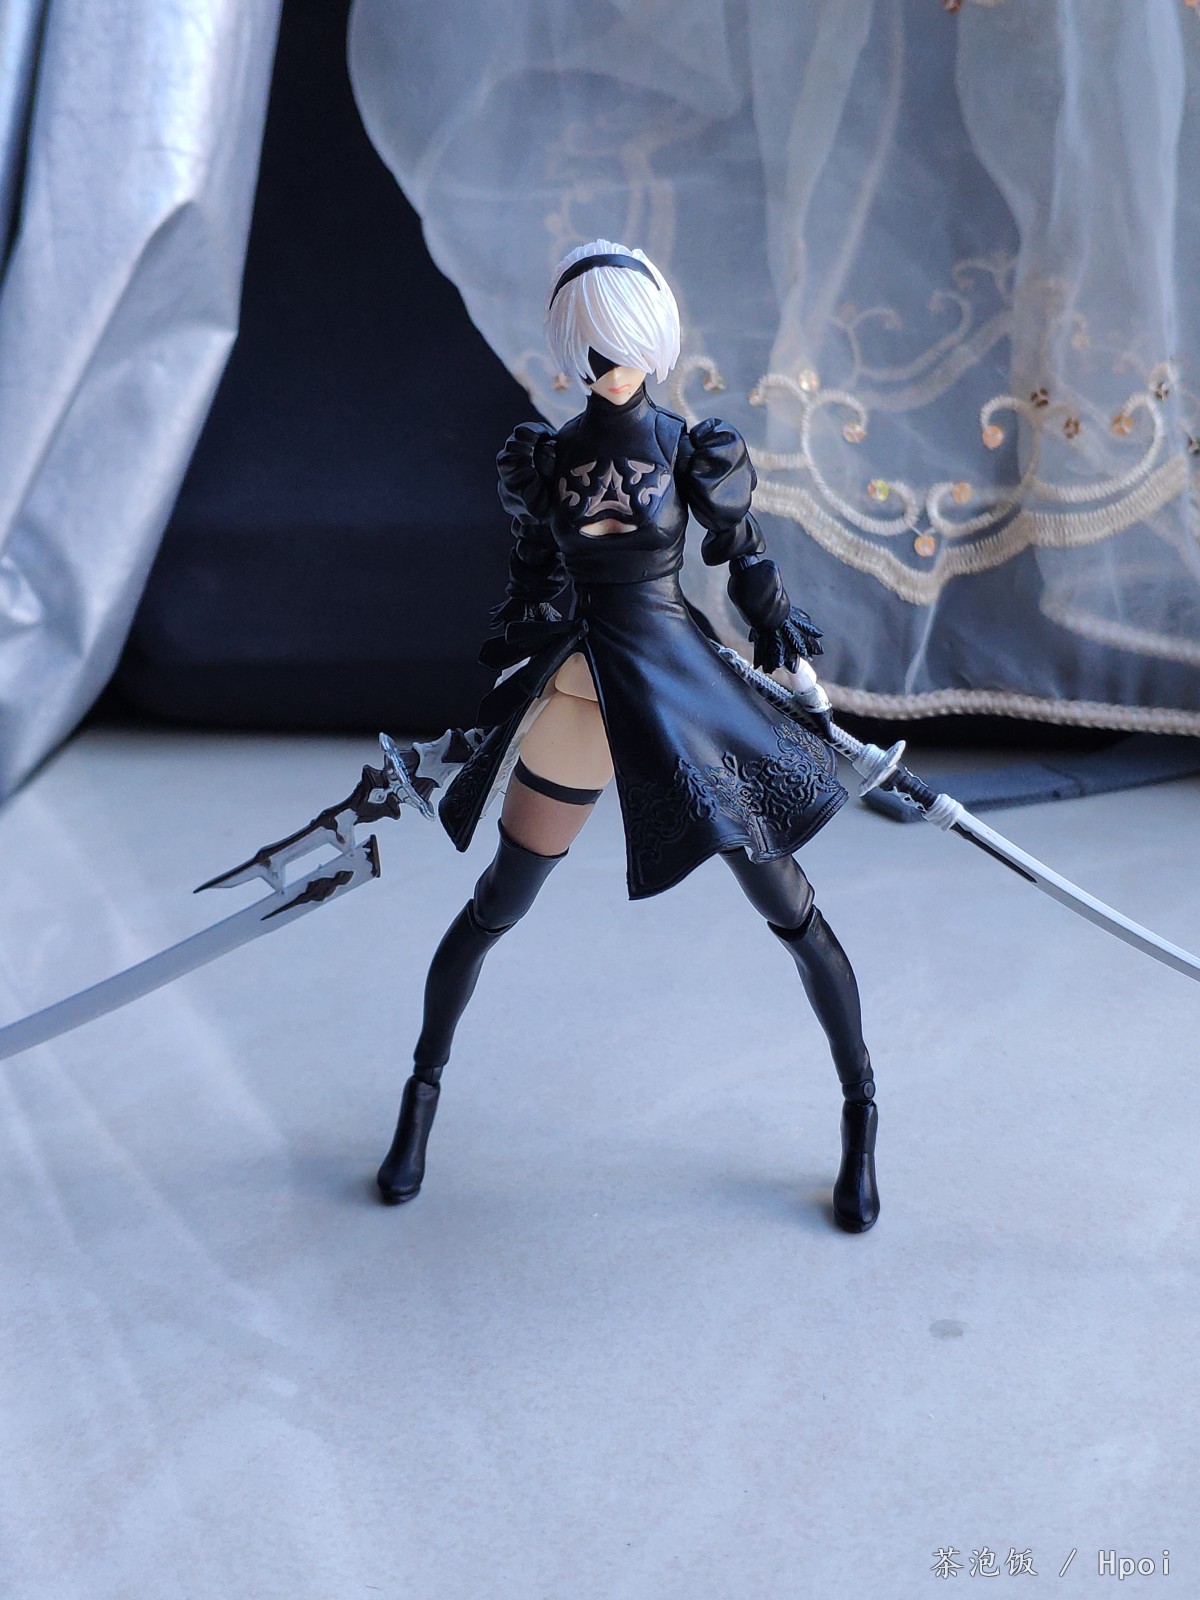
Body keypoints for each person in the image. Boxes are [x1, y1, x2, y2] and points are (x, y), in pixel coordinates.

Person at [377, 240, 880, 1231]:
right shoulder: (547, 456)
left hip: (681, 695)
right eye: (592, 349)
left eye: (622, 345)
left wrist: (788, 652)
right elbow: (533, 573)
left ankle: (861, 1106)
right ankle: (421, 1092)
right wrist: (510, 659)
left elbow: (742, 555)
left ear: (653, 340)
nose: (608, 365)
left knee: (788, 906)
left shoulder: (692, 448)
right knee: (498, 902)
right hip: (577, 692)